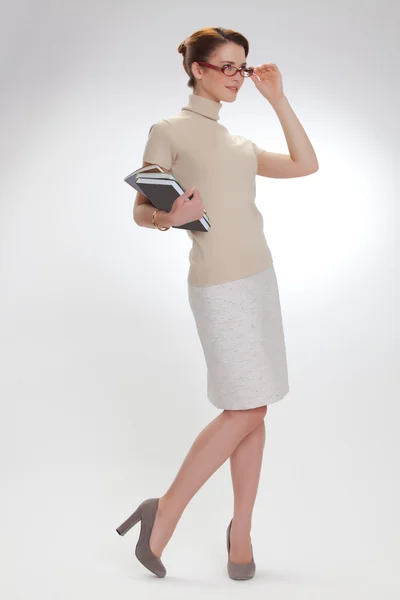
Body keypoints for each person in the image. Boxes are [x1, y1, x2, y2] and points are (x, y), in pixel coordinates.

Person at [116, 26, 319, 580]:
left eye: (242, 68)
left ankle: (242, 532)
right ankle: (168, 510)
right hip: (218, 286)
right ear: (198, 70)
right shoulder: (169, 130)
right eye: (226, 67)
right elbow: (141, 209)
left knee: (256, 407)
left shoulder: (238, 145)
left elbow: (306, 164)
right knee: (246, 407)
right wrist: (167, 218)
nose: (237, 77)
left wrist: (277, 99)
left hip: (260, 279)